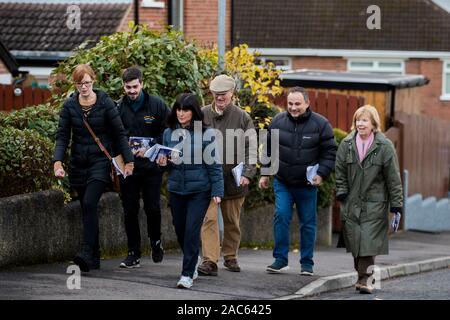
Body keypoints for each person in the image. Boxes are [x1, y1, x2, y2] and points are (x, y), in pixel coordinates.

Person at [53, 64, 134, 272]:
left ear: (93, 81)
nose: (84, 87)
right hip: (78, 164)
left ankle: (86, 251)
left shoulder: (105, 102)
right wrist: (58, 162)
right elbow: (62, 136)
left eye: (87, 82)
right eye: (80, 83)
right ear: (76, 84)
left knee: (90, 203)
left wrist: (129, 160)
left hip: (100, 161)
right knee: (85, 208)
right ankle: (94, 258)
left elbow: (119, 133)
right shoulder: (70, 106)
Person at [259, 86, 337, 276]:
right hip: (283, 181)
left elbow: (330, 152)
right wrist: (265, 173)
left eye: (297, 104)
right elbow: (268, 149)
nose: (293, 108)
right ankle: (280, 260)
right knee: (281, 215)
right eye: (290, 104)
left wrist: (322, 173)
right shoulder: (278, 121)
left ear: (307, 103)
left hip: (307, 184)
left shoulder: (321, 124)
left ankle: (307, 263)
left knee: (308, 223)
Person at [157, 93, 224, 289]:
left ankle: (186, 274)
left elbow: (215, 165)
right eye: (178, 109)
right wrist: (162, 162)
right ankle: (193, 260)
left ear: (193, 112)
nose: (181, 113)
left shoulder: (206, 134)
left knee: (192, 231)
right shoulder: (169, 133)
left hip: (199, 191)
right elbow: (167, 165)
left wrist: (217, 190)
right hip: (177, 189)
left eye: (185, 109)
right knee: (180, 229)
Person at [335, 105, 403, 294]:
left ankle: (366, 279)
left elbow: (393, 178)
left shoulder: (385, 146)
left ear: (373, 123)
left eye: (364, 120)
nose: (360, 124)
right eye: (358, 120)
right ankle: (361, 276)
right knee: (356, 242)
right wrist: (341, 191)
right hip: (351, 202)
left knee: (368, 241)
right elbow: (339, 171)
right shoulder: (346, 144)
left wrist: (397, 205)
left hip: (375, 203)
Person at [196, 74, 257, 276]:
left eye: (223, 94)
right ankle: (210, 260)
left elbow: (251, 147)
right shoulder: (202, 114)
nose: (219, 98)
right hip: (209, 180)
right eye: (216, 94)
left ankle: (230, 256)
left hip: (233, 178)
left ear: (232, 93)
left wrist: (248, 172)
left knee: (232, 221)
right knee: (209, 220)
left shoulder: (242, 117)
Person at [116, 66, 170, 268]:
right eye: (128, 87)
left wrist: (150, 146)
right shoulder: (119, 107)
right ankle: (133, 253)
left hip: (151, 167)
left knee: (152, 207)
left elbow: (169, 129)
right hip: (129, 168)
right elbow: (116, 135)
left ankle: (156, 241)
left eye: (135, 86)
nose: (131, 91)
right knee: (129, 210)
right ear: (123, 86)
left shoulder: (156, 105)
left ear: (142, 83)